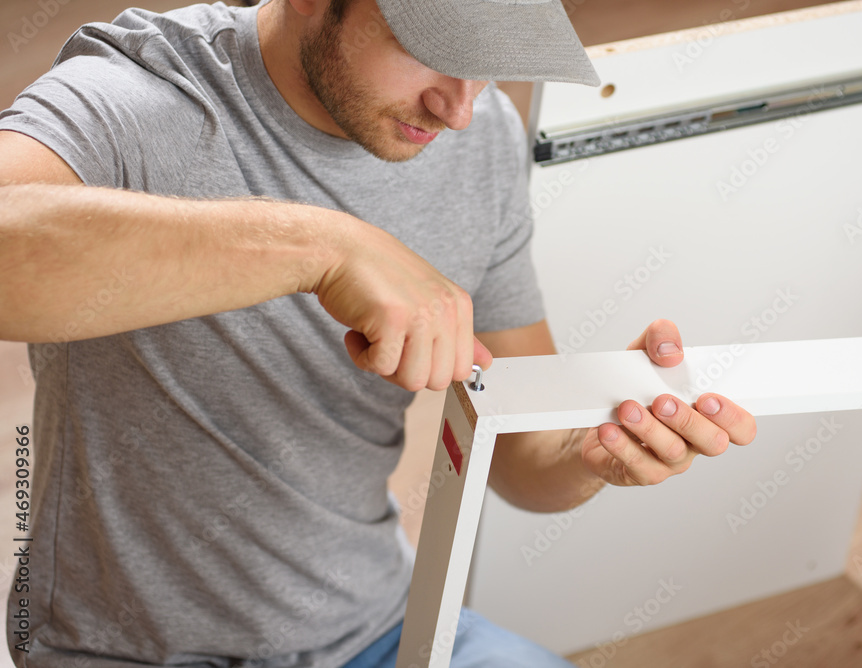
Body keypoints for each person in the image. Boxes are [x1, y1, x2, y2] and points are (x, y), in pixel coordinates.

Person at [0, 0, 757, 665]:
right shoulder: (140, 99)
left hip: (373, 622)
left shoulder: (478, 134)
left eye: (489, 65)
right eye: (434, 47)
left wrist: (598, 445)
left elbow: (526, 461)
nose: (457, 109)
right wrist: (321, 248)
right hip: (121, 648)